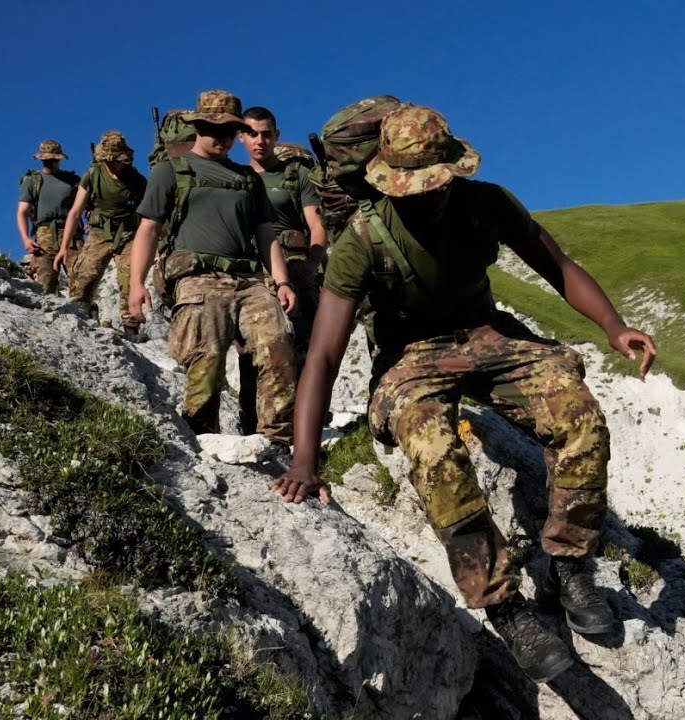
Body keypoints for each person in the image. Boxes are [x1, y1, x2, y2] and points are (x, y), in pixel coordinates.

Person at [272, 105, 657, 683]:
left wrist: (612, 324)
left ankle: (569, 566)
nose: (428, 196)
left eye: (436, 184)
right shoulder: (364, 238)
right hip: (411, 357)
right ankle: (504, 605)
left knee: (580, 416)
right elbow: (324, 352)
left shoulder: (487, 203)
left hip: (489, 335)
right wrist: (306, 458)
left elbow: (558, 265)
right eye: (413, 188)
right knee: (432, 449)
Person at [127, 89, 299, 442]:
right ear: (197, 127)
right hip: (197, 279)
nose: (220, 137)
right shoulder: (171, 170)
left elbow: (266, 234)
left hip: (248, 280)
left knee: (278, 345)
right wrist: (135, 284)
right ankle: (203, 438)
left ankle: (277, 440)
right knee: (207, 358)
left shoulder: (247, 179)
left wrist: (282, 282)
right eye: (211, 128)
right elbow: (148, 229)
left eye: (229, 130)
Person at [235, 106, 329, 433]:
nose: (260, 141)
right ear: (241, 137)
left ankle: (310, 422)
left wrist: (310, 267)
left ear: (275, 135)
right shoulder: (237, 178)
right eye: (252, 134)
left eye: (266, 134)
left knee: (305, 344)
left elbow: (317, 225)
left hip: (295, 262)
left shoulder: (295, 175)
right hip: (251, 269)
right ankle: (252, 423)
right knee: (254, 348)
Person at [56, 131, 148, 339]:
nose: (113, 165)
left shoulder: (137, 181)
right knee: (83, 277)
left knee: (130, 278)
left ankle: (131, 328)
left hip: (128, 234)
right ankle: (81, 317)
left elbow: (149, 215)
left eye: (117, 161)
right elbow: (75, 212)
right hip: (99, 233)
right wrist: (63, 248)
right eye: (109, 160)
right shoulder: (93, 175)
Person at [16, 139, 82, 294]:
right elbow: (22, 212)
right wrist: (26, 238)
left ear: (59, 159)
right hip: (45, 234)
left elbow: (84, 204)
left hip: (72, 233)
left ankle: (85, 315)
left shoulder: (72, 180)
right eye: (45, 159)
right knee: (46, 283)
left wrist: (88, 221)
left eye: (52, 159)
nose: (48, 162)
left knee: (81, 281)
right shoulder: (32, 180)